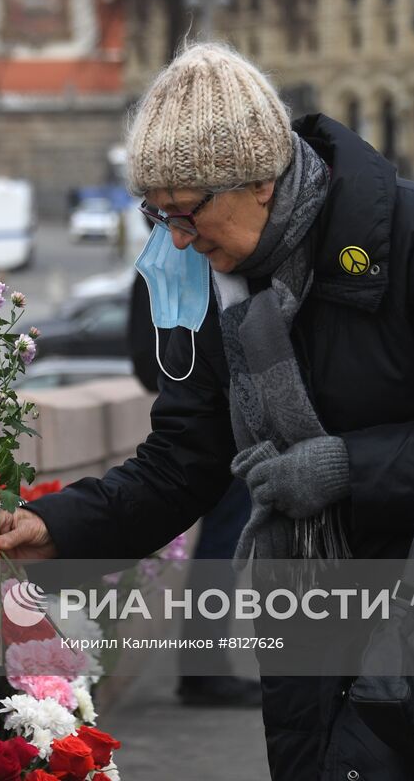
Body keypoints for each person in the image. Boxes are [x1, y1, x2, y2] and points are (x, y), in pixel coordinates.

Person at [0, 43, 414, 780]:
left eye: (186, 214)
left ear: (259, 181)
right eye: (158, 216)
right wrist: (61, 525)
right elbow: (183, 461)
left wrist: (345, 469)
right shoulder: (215, 284)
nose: (177, 240)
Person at [127, 250, 261, 708]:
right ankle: (205, 671)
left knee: (220, 550)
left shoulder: (155, 268)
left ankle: (205, 669)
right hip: (219, 427)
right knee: (221, 552)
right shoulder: (189, 264)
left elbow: (146, 362)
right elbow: (152, 360)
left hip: (199, 423)